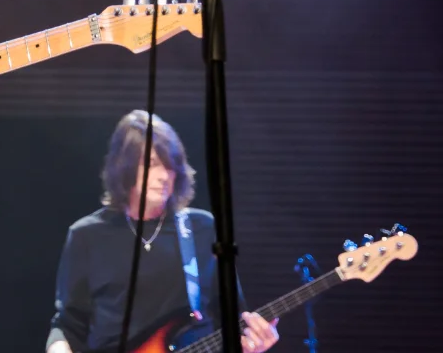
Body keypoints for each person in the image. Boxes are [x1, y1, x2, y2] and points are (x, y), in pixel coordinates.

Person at [47, 111, 280, 353]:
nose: (163, 176)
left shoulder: (201, 229)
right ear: (123, 166)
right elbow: (68, 324)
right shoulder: (87, 236)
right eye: (151, 164)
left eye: (170, 165)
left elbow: (233, 317)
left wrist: (253, 343)